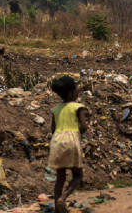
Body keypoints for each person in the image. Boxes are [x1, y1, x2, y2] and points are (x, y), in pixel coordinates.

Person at [49, 75, 88, 213]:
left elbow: (53, 130)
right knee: (78, 176)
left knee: (60, 178)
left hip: (57, 142)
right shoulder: (78, 107)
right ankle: (63, 198)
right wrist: (77, 133)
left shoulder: (55, 109)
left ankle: (56, 208)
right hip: (71, 141)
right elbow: (83, 127)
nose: (77, 91)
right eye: (76, 89)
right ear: (72, 92)